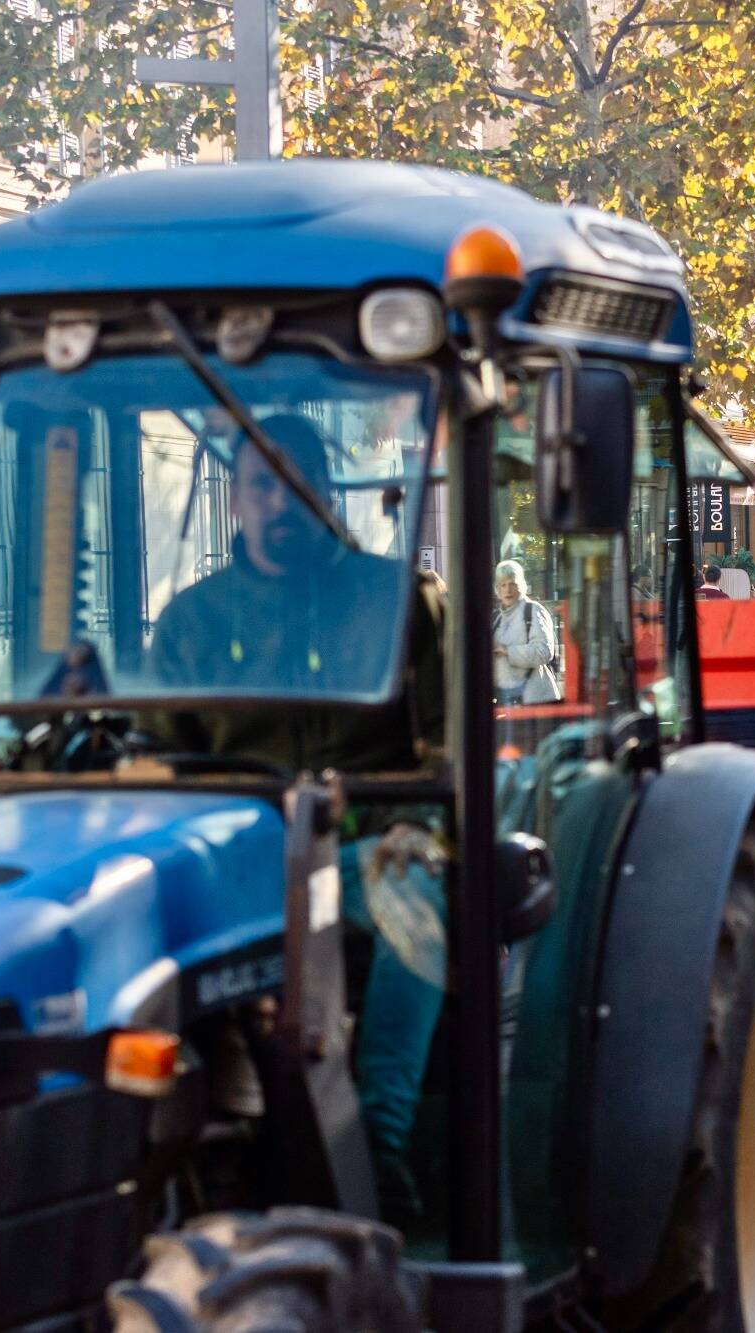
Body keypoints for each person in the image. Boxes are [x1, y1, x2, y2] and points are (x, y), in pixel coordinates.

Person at [144, 414, 447, 1223]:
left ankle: (378, 1144)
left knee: (407, 880)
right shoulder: (189, 625)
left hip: (368, 855)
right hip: (239, 873)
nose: (278, 501)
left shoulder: (400, 604)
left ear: (323, 495)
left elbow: (450, 757)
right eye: (259, 483)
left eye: (294, 481)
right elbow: (159, 770)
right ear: (236, 499)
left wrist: (398, 819)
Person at [493, 559, 560, 705]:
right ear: (497, 589)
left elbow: (544, 652)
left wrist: (507, 651)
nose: (507, 589)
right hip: (507, 704)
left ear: (521, 586)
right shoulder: (497, 619)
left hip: (535, 702)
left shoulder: (533, 610)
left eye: (512, 584)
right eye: (503, 585)